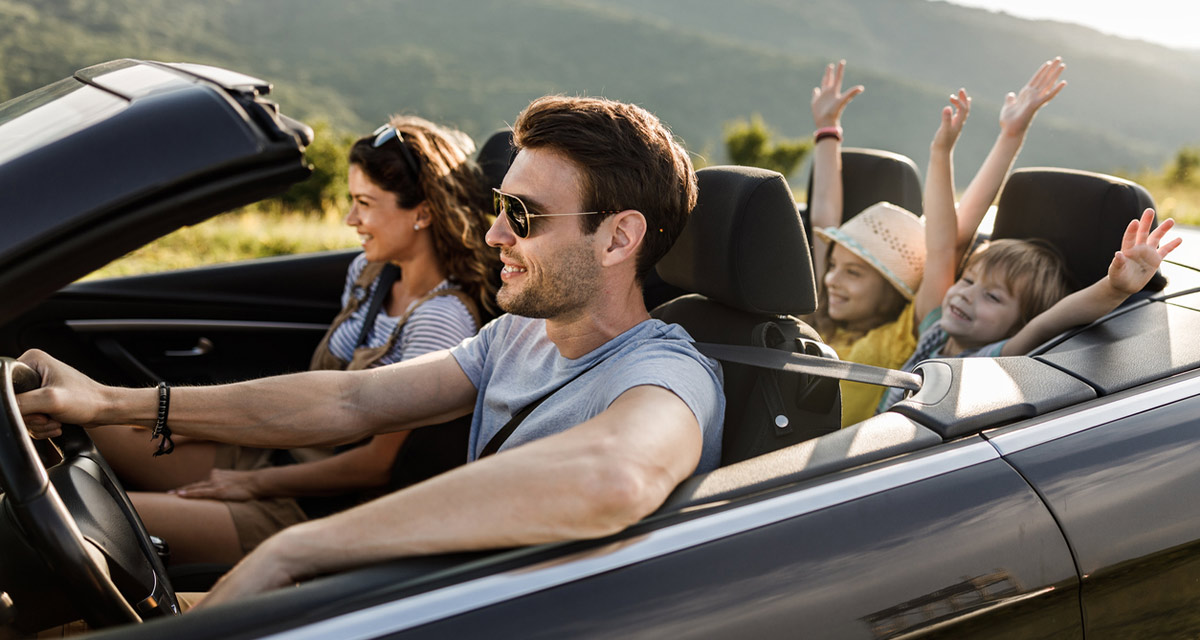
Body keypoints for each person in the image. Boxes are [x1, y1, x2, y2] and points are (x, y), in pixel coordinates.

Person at [17, 94, 724, 608]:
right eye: (498, 209)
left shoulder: (664, 372)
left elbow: (614, 479)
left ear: (618, 238)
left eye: (523, 217)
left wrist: (298, 550)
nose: (493, 237)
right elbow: (351, 399)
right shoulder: (518, 335)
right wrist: (110, 402)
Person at [85, 115, 501, 565]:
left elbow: (374, 466)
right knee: (88, 426)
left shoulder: (440, 321)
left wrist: (249, 487)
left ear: (422, 212)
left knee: (89, 518)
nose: (350, 219)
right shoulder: (369, 275)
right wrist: (192, 424)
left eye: (365, 202)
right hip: (276, 452)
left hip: (314, 504)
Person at [877, 88, 1181, 409]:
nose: (966, 294)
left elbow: (1052, 320)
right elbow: (941, 246)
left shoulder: (993, 358)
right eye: (967, 281)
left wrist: (1115, 288)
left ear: (1016, 324)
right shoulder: (935, 327)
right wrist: (942, 150)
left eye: (993, 297)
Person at [806, 58, 1067, 425]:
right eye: (834, 266)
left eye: (854, 272)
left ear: (893, 289)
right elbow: (823, 218)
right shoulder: (822, 306)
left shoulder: (903, 335)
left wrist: (1009, 137)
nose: (832, 278)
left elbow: (947, 246)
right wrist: (828, 131)